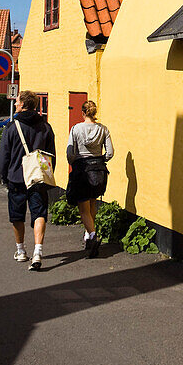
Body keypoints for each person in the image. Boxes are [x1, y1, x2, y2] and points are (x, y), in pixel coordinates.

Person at [0, 90, 56, 271]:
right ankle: (38, 251)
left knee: (17, 215)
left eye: (17, 102)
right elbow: (51, 155)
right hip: (38, 177)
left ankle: (21, 250)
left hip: (16, 177)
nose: (15, 104)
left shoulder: (12, 127)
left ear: (23, 105)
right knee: (39, 213)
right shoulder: (45, 127)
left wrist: (4, 175)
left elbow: (4, 156)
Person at [66, 100, 113, 257]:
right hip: (98, 171)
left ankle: (92, 236)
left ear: (83, 113)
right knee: (92, 202)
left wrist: (75, 161)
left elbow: (70, 152)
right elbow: (110, 152)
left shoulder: (76, 129)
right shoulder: (103, 129)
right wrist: (100, 160)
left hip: (82, 171)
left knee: (83, 208)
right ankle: (88, 235)